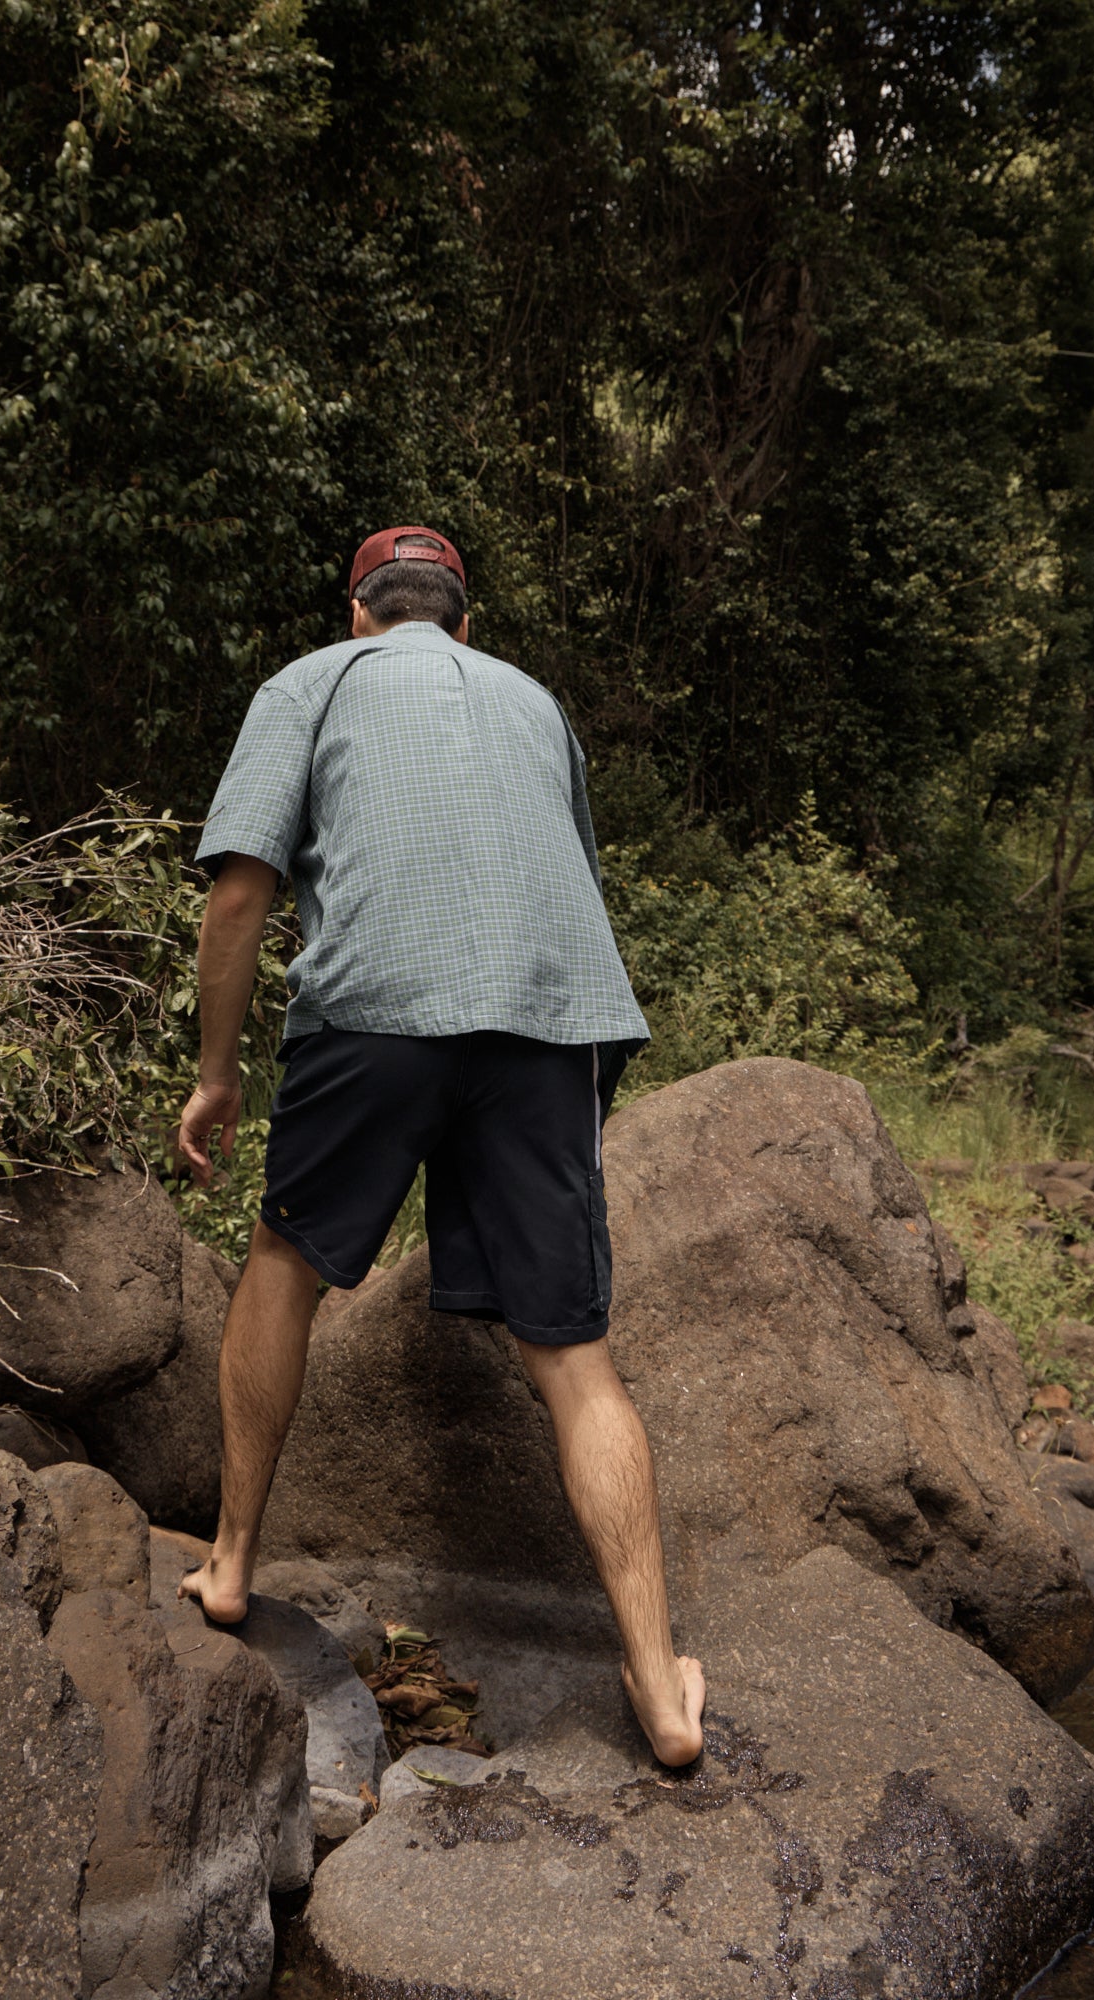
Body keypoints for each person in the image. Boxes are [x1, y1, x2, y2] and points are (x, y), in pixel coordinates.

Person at [174, 525, 705, 1766]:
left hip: (374, 1011)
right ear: (462, 624)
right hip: (546, 1022)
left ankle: (233, 1560)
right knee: (577, 1358)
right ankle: (662, 1689)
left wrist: (217, 1074)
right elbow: (566, 876)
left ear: (358, 612)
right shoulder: (536, 703)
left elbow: (241, 891)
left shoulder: (312, 680)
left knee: (285, 1262)